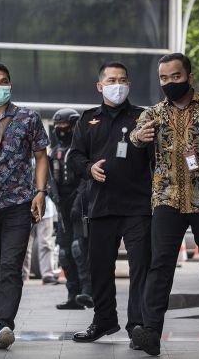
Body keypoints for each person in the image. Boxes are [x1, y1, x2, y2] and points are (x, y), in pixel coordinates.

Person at [129, 53, 199, 356]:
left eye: (175, 77)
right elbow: (135, 139)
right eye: (164, 78)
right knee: (159, 265)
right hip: (167, 198)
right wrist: (139, 136)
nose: (169, 83)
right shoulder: (153, 113)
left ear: (190, 78)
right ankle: (151, 331)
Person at [68, 62, 153, 346]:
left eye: (123, 80)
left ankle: (138, 325)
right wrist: (89, 167)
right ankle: (104, 320)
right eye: (112, 80)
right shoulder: (88, 118)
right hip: (101, 205)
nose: (118, 85)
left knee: (141, 266)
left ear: (129, 84)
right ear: (100, 86)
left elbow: (157, 156)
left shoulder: (144, 117)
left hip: (138, 206)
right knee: (100, 267)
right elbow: (74, 157)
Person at [0, 61, 49, 349]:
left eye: (3, 81)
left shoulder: (28, 118)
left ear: (10, 84)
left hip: (18, 203)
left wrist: (40, 192)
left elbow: (41, 156)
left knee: (10, 266)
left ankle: (4, 324)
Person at [48, 108, 92, 309]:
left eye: (64, 126)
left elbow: (86, 178)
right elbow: (49, 178)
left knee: (78, 250)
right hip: (62, 205)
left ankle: (87, 292)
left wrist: (78, 201)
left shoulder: (81, 149)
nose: (60, 130)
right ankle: (72, 295)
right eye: (57, 127)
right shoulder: (54, 150)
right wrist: (51, 194)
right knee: (65, 252)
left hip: (80, 205)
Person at [22, 194, 56, 284]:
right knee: (23, 243)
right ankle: (23, 274)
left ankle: (47, 275)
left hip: (45, 210)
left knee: (46, 243)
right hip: (24, 208)